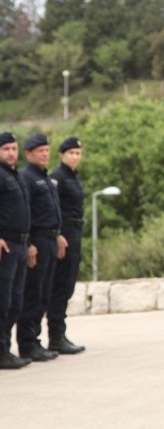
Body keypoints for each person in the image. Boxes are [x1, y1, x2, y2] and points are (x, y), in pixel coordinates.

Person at [18, 133, 67, 362]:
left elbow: (51, 211)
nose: (45, 154)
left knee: (44, 294)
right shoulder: (27, 177)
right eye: (40, 151)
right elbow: (26, 213)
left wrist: (58, 235)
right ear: (29, 153)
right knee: (33, 293)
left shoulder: (45, 177)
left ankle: (35, 340)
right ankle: (27, 343)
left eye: (47, 150)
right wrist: (29, 244)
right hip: (37, 240)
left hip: (50, 239)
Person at [47, 137, 85, 354]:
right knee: (60, 286)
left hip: (75, 232)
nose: (75, 157)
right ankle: (56, 336)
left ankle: (59, 334)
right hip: (65, 233)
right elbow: (53, 209)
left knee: (68, 285)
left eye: (78, 153)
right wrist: (58, 234)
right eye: (71, 153)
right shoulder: (58, 178)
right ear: (62, 155)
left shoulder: (72, 177)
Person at [0, 132, 32, 369]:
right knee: (3, 301)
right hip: (6, 245)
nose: (11, 153)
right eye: (6, 149)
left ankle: (5, 349)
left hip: (21, 244)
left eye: (13, 148)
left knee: (15, 302)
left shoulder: (16, 175)